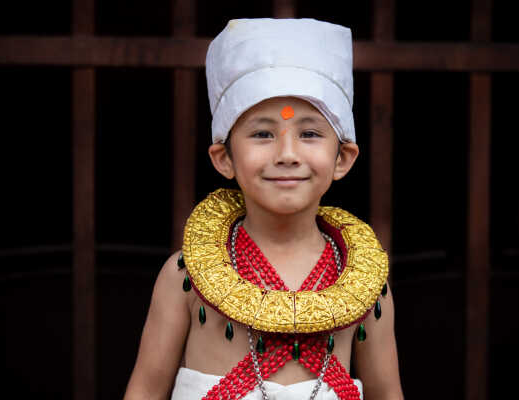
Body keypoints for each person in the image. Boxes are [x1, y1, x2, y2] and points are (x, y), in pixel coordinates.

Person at [124, 18, 403, 400]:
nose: (287, 155)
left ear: (343, 158)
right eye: (262, 134)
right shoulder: (183, 276)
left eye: (309, 133)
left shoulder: (365, 287)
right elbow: (144, 391)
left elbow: (387, 394)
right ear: (224, 158)